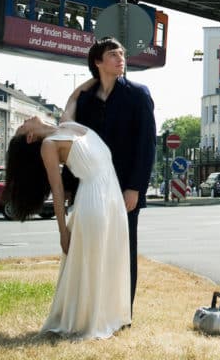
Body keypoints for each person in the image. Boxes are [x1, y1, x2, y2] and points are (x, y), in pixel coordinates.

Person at [4, 108, 131, 340]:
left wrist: (100, 69)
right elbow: (58, 191)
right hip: (94, 201)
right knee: (91, 262)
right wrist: (63, 232)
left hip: (111, 198)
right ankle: (85, 321)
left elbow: (77, 94)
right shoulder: (48, 145)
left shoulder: (65, 126)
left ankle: (105, 317)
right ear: (30, 137)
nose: (23, 121)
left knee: (108, 259)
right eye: (21, 128)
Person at [62, 37, 155, 308]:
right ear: (98, 62)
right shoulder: (87, 101)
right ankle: (95, 308)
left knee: (124, 250)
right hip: (91, 186)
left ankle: (122, 310)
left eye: (122, 54)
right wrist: (69, 185)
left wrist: (136, 187)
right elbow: (74, 144)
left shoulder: (138, 94)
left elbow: (147, 145)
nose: (121, 59)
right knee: (92, 249)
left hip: (126, 187)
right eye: (113, 55)